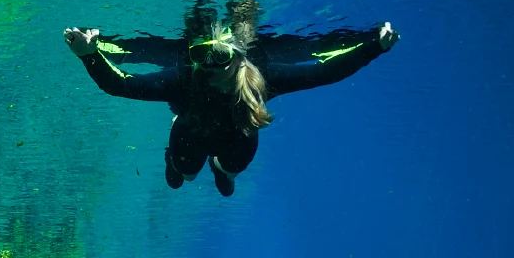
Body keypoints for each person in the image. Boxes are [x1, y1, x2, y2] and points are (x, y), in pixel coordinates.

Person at [65, 20, 397, 196]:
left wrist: (374, 46)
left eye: (220, 55)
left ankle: (220, 172)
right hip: (189, 137)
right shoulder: (183, 79)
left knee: (227, 178)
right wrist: (89, 54)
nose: (208, 65)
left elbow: (324, 71)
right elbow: (121, 85)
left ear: (239, 57)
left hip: (238, 142)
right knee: (181, 176)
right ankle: (183, 167)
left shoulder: (262, 79)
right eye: (199, 55)